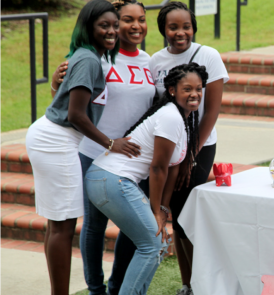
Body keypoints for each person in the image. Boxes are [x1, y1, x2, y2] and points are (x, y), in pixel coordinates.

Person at [25, 1, 141, 294]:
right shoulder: (89, 59)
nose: (112, 31)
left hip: (52, 137)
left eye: (115, 25)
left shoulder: (91, 56)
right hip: (57, 140)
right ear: (88, 27)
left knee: (57, 225)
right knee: (63, 227)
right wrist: (111, 143)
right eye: (105, 25)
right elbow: (76, 115)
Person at [51, 1, 156, 294]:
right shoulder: (97, 57)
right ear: (110, 23)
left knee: (131, 228)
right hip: (94, 152)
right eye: (126, 20)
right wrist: (55, 83)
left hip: (134, 159)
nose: (135, 26)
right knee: (95, 225)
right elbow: (67, 100)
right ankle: (95, 288)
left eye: (141, 20)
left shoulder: (149, 61)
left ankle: (117, 285)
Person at [84, 62, 207, 294]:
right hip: (112, 179)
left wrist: (162, 208)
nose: (194, 94)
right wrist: (156, 211)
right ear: (172, 90)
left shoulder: (182, 120)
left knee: (155, 244)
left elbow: (171, 169)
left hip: (107, 179)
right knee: (153, 244)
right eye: (187, 89)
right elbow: (158, 168)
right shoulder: (171, 116)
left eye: (199, 89)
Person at [149, 2, 229, 294]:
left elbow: (211, 112)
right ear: (163, 30)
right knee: (177, 215)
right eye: (173, 27)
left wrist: (190, 154)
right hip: (169, 147)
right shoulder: (155, 60)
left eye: (186, 26)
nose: (180, 32)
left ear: (194, 27)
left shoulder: (209, 55)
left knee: (186, 215)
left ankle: (200, 283)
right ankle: (188, 283)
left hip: (200, 146)